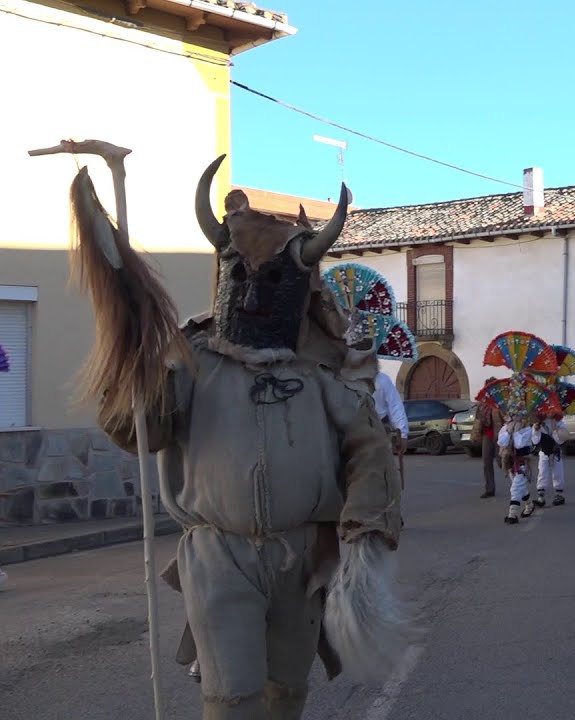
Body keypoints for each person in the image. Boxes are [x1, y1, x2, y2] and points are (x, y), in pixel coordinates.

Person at [76, 164, 405, 717]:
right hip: (218, 554)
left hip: (302, 558)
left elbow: (367, 448)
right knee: (231, 699)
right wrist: (131, 365)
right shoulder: (190, 362)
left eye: (275, 282)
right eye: (243, 277)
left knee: (286, 695)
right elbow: (142, 430)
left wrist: (366, 522)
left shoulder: (326, 370)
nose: (254, 297)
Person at [497, 413, 541, 524]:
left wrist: (535, 429)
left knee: (515, 488)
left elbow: (523, 443)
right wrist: (509, 431)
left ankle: (512, 514)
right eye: (512, 415)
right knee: (520, 487)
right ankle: (529, 505)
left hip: (522, 462)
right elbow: (501, 442)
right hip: (510, 462)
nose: (514, 417)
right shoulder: (505, 428)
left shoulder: (527, 429)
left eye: (517, 415)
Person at [473, 378, 503, 498]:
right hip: (487, 434)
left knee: (503, 461)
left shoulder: (500, 402)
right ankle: (490, 489)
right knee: (486, 462)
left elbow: (505, 418)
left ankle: (516, 483)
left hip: (499, 435)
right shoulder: (482, 402)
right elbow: (478, 419)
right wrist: (475, 435)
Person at [535, 411, 568, 507]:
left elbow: (561, 440)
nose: (549, 413)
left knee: (558, 472)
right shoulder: (539, 423)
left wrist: (554, 430)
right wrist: (536, 430)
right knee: (542, 472)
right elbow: (535, 440)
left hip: (555, 451)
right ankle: (541, 496)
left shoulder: (559, 423)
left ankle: (559, 494)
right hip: (544, 451)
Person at [373, 371, 408, 455]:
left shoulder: (381, 379)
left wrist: (402, 434)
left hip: (379, 429)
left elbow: (394, 406)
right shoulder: (341, 377)